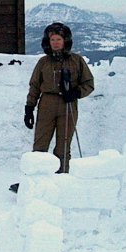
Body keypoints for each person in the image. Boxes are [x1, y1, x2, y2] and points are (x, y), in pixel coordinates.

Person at [16, 22, 95, 186]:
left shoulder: (77, 61)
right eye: (53, 39)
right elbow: (35, 86)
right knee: (40, 143)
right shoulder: (43, 62)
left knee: (63, 144)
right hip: (47, 104)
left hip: (68, 104)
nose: (56, 42)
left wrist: (75, 93)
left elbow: (88, 84)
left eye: (59, 39)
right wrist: (29, 108)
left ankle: (61, 181)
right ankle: (33, 182)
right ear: (48, 41)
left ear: (65, 40)